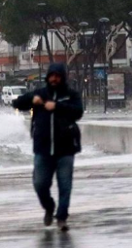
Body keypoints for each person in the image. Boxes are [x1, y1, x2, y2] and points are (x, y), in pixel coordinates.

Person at [13, 63, 83, 231]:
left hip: (66, 149)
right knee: (39, 184)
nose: (54, 79)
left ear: (62, 77)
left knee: (65, 186)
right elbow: (17, 103)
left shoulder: (70, 95)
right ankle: (49, 207)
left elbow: (78, 112)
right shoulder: (40, 94)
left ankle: (62, 217)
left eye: (57, 76)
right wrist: (31, 100)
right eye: (51, 75)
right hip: (43, 149)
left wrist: (57, 106)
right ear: (47, 77)